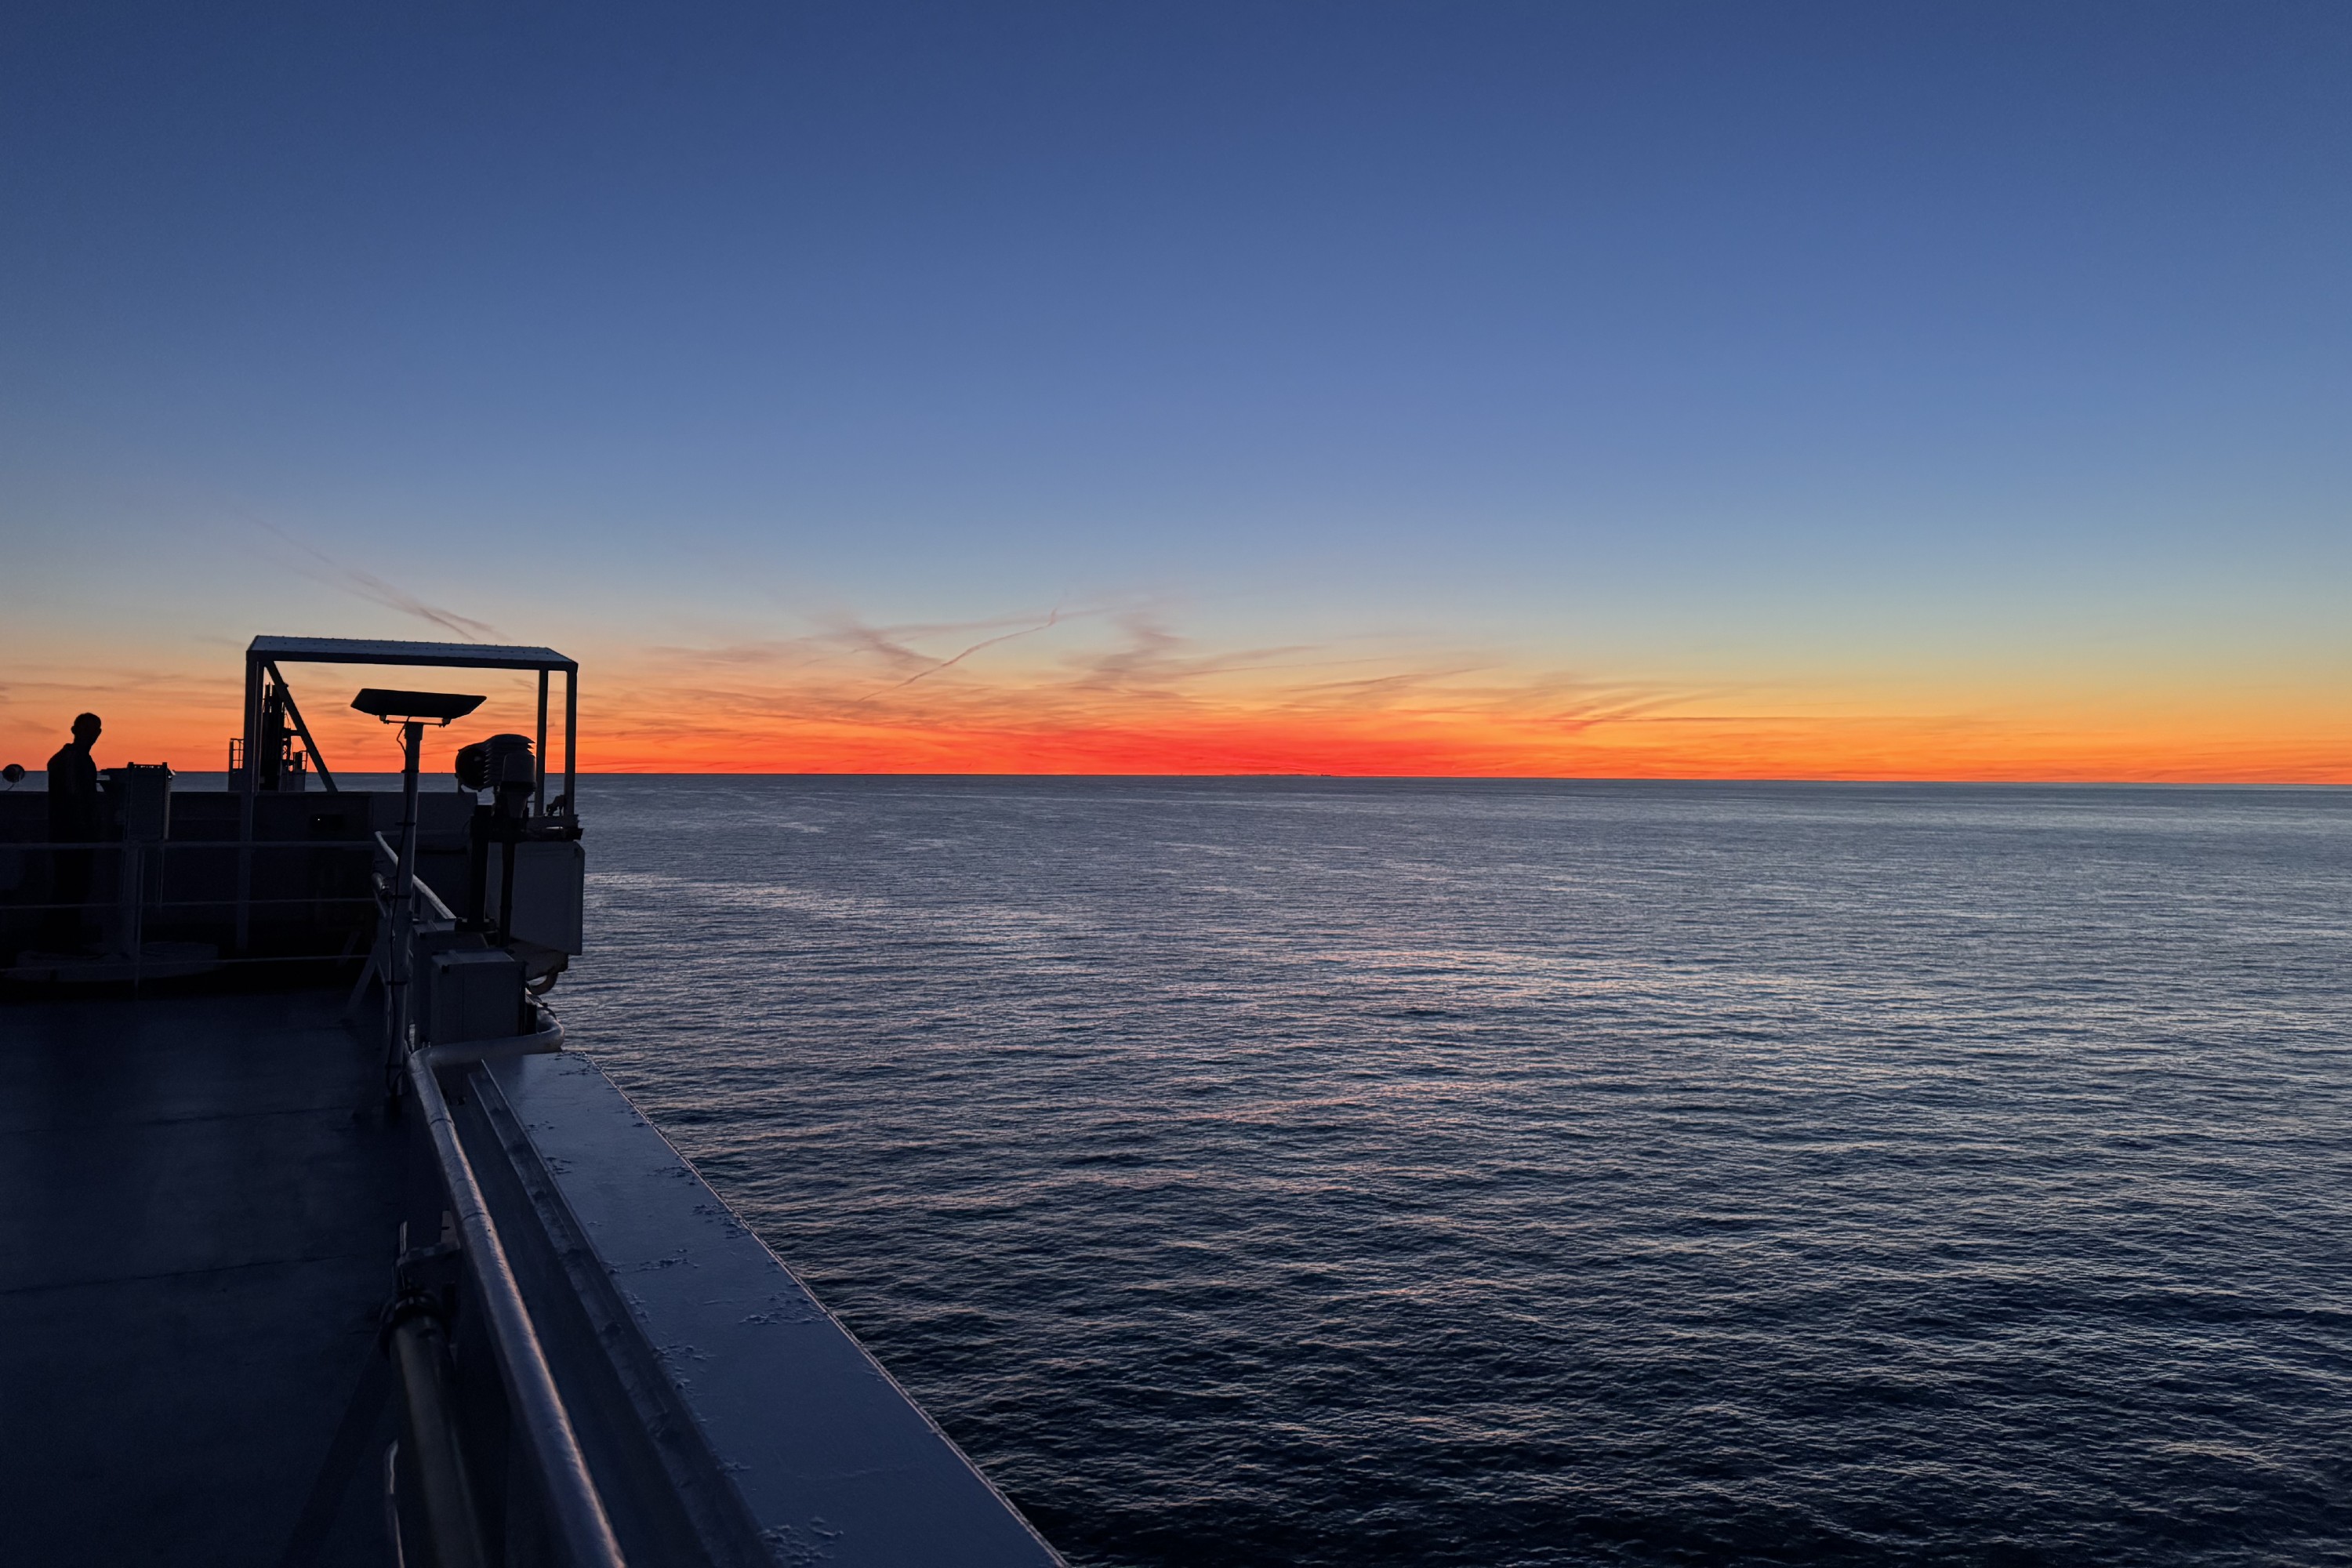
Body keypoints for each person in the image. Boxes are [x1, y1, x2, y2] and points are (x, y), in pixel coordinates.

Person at [44, 713, 103, 950]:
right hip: (71, 835)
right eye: (89, 730)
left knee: (74, 888)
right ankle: (60, 941)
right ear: (75, 730)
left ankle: (65, 938)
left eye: (95, 730)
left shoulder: (76, 759)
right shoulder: (71, 759)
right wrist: (85, 829)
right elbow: (73, 796)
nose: (92, 735)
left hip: (74, 834)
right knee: (70, 887)